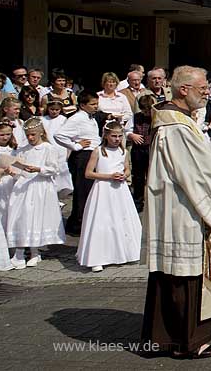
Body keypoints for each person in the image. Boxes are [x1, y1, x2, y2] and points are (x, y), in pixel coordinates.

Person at [141, 66, 211, 360]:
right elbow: (194, 174)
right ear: (183, 90)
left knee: (170, 274)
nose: (207, 92)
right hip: (185, 210)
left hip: (176, 205)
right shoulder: (176, 126)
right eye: (203, 88)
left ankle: (162, 339)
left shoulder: (174, 120)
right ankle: (189, 342)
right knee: (188, 274)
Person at [76, 120, 142, 272]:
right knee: (102, 221)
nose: (117, 139)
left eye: (119, 136)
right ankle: (98, 257)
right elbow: (89, 173)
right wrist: (109, 176)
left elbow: (126, 169)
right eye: (113, 136)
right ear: (106, 135)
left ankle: (123, 252)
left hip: (120, 190)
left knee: (120, 219)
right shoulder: (98, 151)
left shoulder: (123, 152)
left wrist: (124, 175)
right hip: (102, 190)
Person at [6, 118, 65, 268]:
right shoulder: (23, 150)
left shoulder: (47, 148)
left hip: (40, 186)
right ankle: (20, 252)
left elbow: (54, 169)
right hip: (24, 186)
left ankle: (34, 251)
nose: (30, 138)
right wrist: (13, 172)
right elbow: (19, 170)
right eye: (28, 135)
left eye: (33, 134)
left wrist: (39, 169)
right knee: (20, 216)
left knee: (35, 217)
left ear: (40, 133)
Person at [55, 91, 101, 235]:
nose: (95, 106)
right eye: (92, 104)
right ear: (82, 105)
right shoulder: (77, 118)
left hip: (92, 153)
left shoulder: (90, 118)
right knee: (82, 190)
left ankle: (83, 220)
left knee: (89, 190)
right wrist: (76, 146)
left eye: (96, 103)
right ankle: (77, 224)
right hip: (83, 156)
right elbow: (59, 135)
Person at [40, 99, 71, 199]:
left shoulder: (63, 119)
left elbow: (68, 136)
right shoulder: (43, 119)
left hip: (61, 149)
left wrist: (69, 151)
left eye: (57, 110)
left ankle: (60, 195)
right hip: (47, 148)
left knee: (61, 171)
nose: (54, 111)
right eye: (52, 109)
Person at [130, 94, 155, 212]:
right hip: (138, 149)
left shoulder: (157, 118)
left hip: (152, 149)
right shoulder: (135, 117)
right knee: (138, 176)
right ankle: (138, 201)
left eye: (148, 110)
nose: (146, 113)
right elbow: (127, 130)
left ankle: (153, 201)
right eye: (144, 110)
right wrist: (132, 135)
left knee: (153, 176)